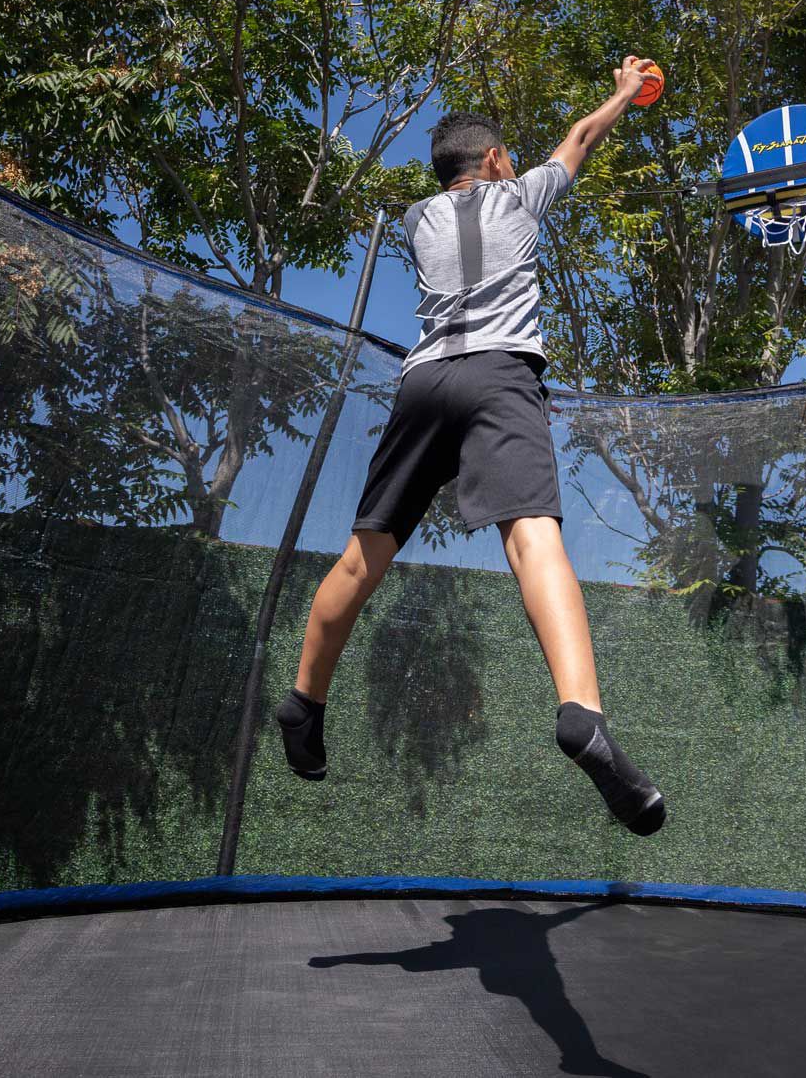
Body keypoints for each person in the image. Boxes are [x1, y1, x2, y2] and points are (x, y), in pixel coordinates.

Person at [274, 57, 666, 836]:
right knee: (533, 539)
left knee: (363, 553)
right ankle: (582, 713)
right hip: (499, 375)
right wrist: (625, 91)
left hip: (423, 381)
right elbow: (581, 138)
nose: (515, 164)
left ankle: (303, 700)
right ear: (492, 160)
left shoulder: (417, 219)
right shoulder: (520, 195)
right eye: (507, 155)